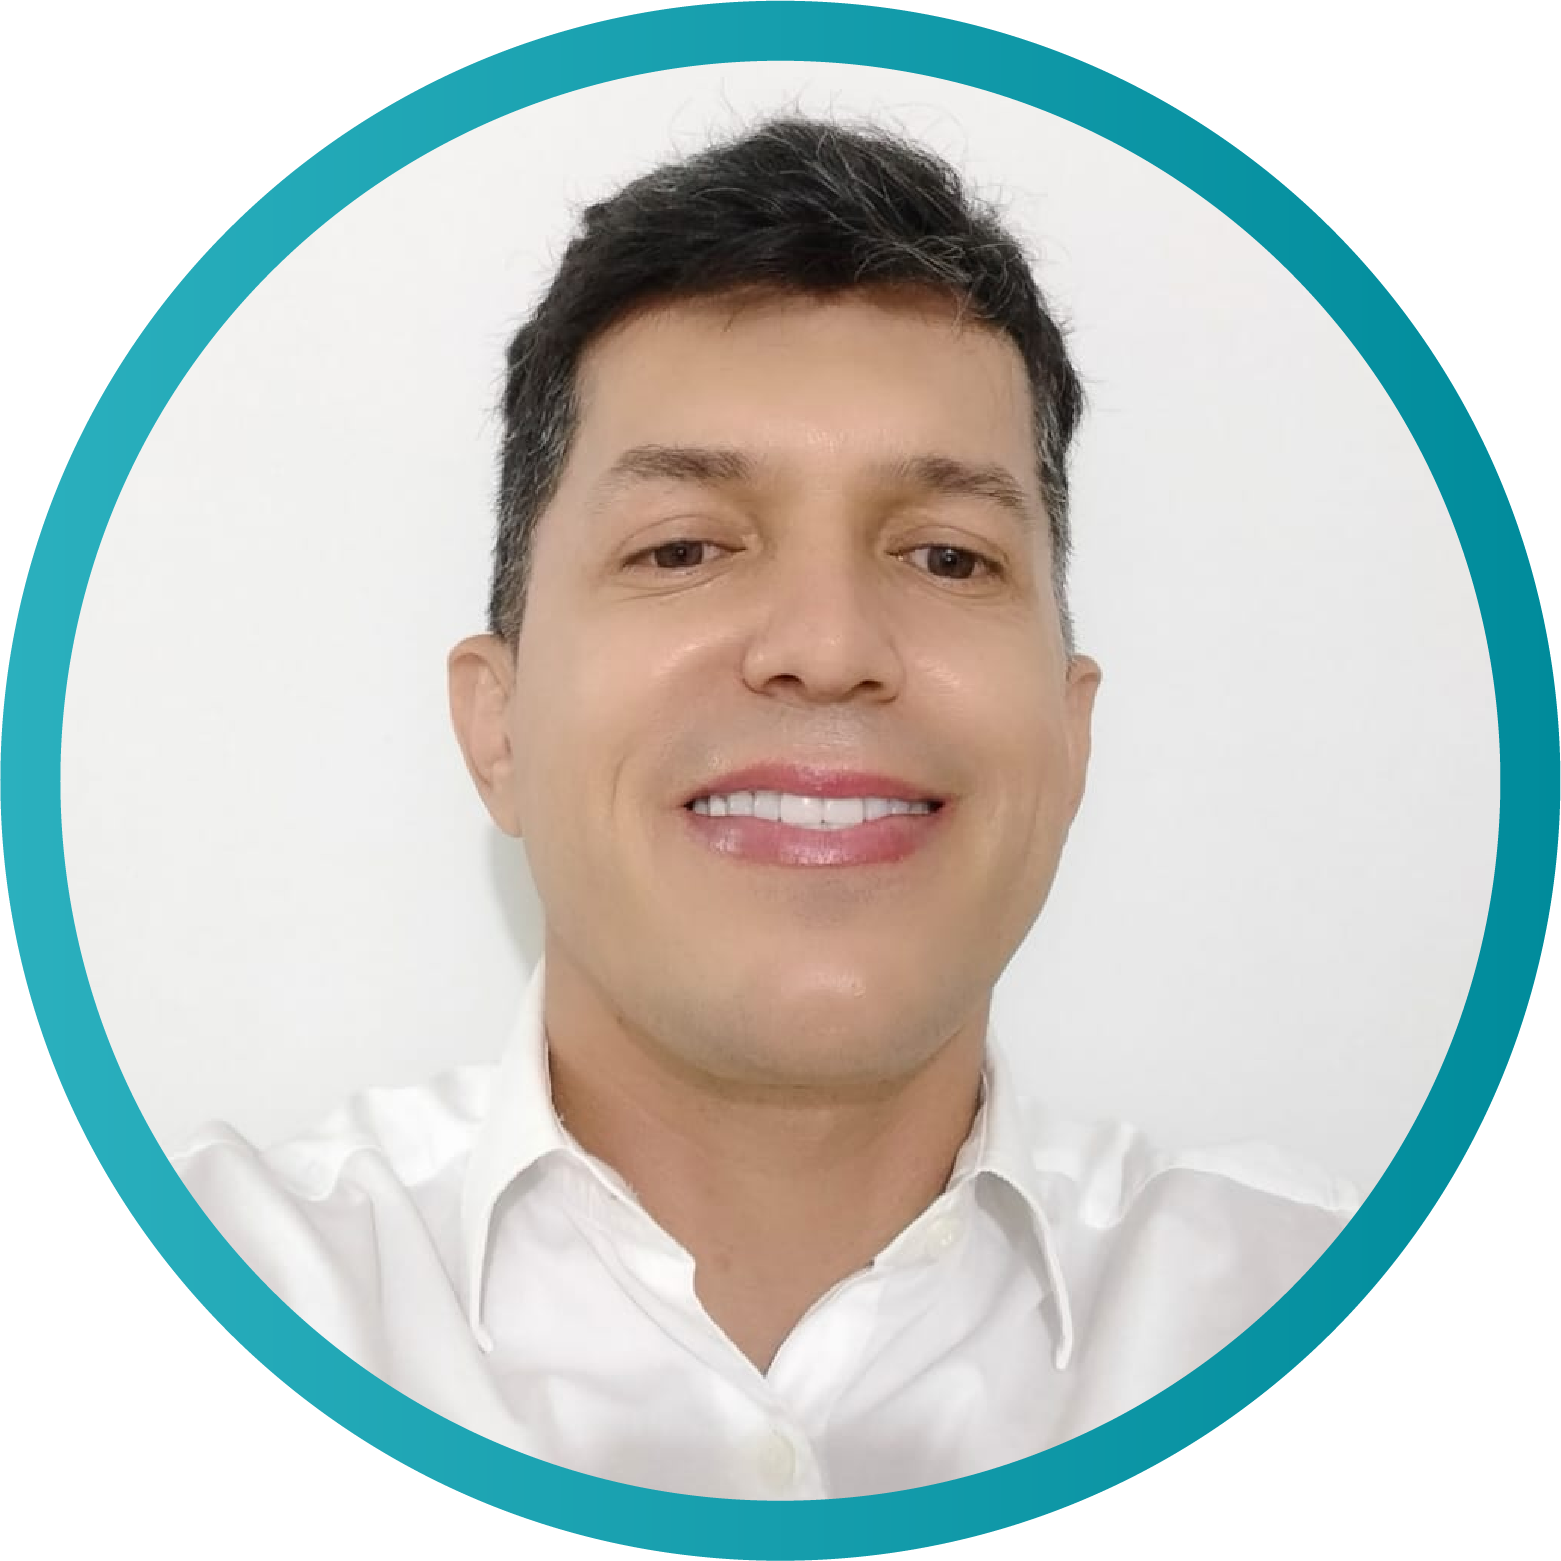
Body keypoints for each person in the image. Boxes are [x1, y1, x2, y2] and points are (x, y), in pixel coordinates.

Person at [177, 116, 1356, 1500]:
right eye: (683, 547)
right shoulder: (171, 1303)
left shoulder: (1348, 1322)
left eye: (947, 556)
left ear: (1071, 734)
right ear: (496, 728)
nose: (828, 642)